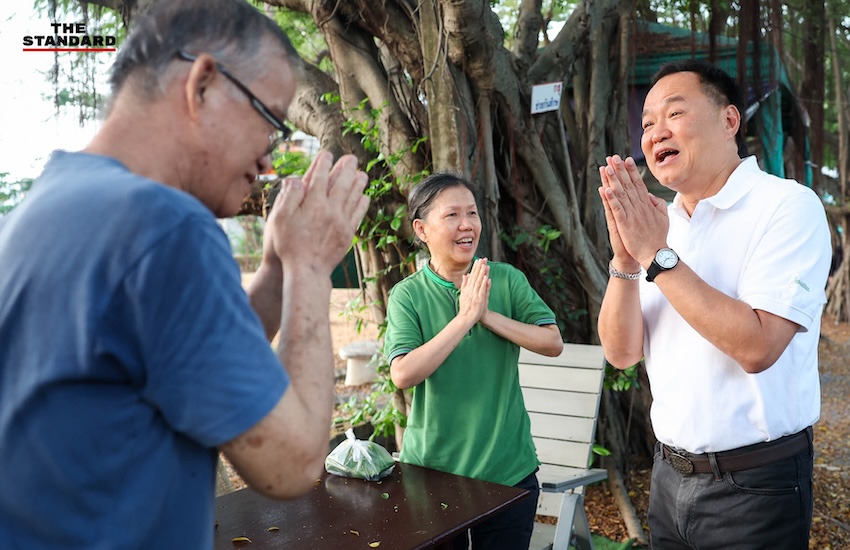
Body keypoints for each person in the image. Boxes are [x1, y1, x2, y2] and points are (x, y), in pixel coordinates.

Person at [0, 1, 369, 548]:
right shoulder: (165, 228)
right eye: (271, 120)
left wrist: (273, 273)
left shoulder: (42, 208)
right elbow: (291, 465)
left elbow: (186, 360)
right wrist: (312, 265)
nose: (270, 162)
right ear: (202, 84)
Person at [597, 59, 831, 548]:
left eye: (674, 114)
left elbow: (758, 346)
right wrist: (625, 258)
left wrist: (656, 258)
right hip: (668, 476)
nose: (656, 132)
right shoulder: (661, 226)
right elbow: (621, 353)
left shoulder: (787, 206)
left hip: (755, 485)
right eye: (646, 124)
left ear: (729, 121)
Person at [383, 173, 564, 550]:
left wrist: (485, 315)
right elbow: (402, 374)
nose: (467, 225)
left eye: (472, 213)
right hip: (432, 474)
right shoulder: (408, 295)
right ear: (422, 229)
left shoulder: (506, 280)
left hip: (508, 471)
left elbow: (552, 342)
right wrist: (463, 318)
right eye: (452, 215)